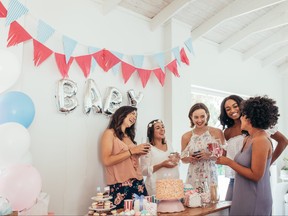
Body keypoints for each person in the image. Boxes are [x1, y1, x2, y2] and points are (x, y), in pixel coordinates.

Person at [217, 95, 279, 215]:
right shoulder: (249, 138)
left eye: (243, 115)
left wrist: (229, 162)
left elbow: (256, 175)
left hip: (255, 197)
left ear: (250, 118)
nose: (241, 118)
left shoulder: (261, 140)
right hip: (243, 195)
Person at [100, 106, 150, 209]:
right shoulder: (109, 133)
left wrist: (138, 153)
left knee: (144, 212)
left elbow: (129, 157)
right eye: (132, 113)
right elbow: (106, 160)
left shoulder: (128, 136)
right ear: (121, 114)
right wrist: (132, 151)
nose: (134, 117)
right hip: (121, 185)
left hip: (138, 182)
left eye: (136, 115)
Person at [181, 103, 225, 189]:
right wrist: (189, 158)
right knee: (193, 200)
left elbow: (223, 154)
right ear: (191, 117)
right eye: (196, 117)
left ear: (207, 116)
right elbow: (183, 158)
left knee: (211, 200)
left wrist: (209, 155)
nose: (199, 120)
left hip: (210, 175)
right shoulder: (186, 136)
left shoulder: (217, 132)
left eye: (202, 116)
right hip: (193, 175)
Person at [140, 119, 180, 195]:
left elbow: (173, 161)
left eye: (163, 127)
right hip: (156, 187)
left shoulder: (169, 142)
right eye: (158, 128)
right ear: (151, 132)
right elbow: (144, 171)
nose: (162, 129)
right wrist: (162, 165)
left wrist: (176, 159)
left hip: (172, 184)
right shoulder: (147, 148)